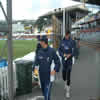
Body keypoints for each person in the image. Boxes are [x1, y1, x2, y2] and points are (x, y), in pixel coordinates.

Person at [58, 30, 75, 98]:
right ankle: (65, 82)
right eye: (66, 35)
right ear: (65, 35)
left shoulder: (72, 41)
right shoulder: (62, 41)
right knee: (64, 75)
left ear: (69, 35)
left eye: (68, 35)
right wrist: (63, 55)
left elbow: (74, 51)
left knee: (68, 75)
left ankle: (68, 91)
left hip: (69, 61)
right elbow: (59, 50)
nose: (67, 36)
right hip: (64, 61)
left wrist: (70, 55)